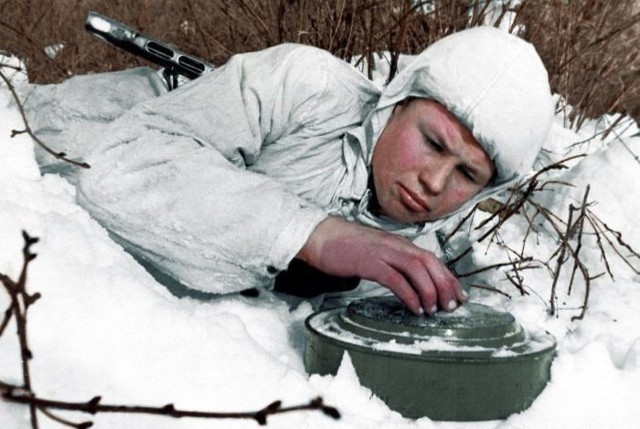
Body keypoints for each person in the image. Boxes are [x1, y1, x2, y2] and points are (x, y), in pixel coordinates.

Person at [23, 26, 553, 315]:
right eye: (432, 142)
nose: (435, 184)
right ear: (397, 102)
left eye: (468, 176)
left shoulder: (415, 263)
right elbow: (118, 166)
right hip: (46, 135)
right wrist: (311, 234)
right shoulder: (306, 87)